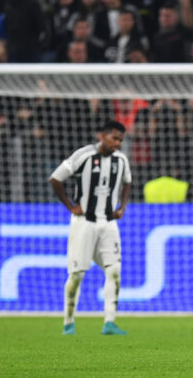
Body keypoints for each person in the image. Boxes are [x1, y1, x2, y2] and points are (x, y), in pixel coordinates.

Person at [49, 120, 132, 336]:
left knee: (114, 271)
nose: (117, 143)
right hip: (84, 222)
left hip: (108, 223)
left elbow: (127, 182)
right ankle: (68, 322)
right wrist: (70, 206)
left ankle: (109, 322)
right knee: (77, 275)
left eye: (120, 140)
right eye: (114, 138)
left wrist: (122, 207)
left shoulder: (121, 160)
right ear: (102, 136)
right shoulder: (83, 155)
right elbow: (56, 178)